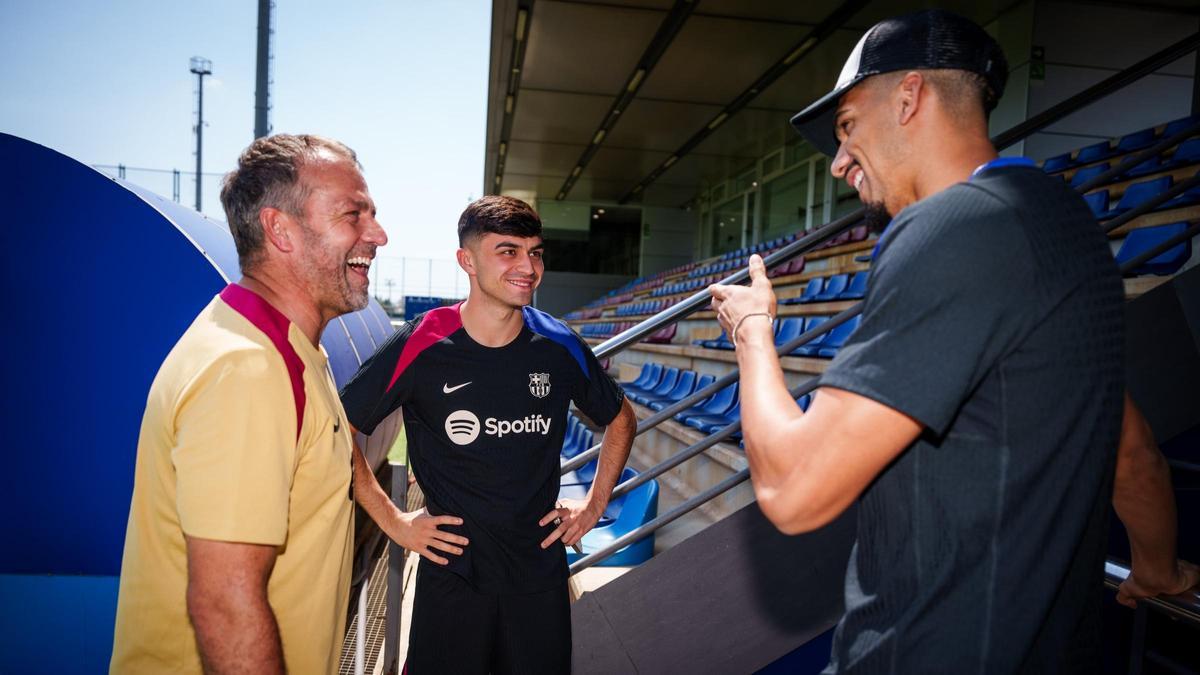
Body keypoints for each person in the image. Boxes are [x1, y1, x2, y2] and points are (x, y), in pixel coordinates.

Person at [709, 10, 1131, 672]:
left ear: (909, 96)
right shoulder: (1067, 223)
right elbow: (1132, 453)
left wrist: (754, 333)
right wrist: (1158, 566)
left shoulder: (949, 227)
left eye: (847, 127)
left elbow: (794, 490)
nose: (839, 162)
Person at [111, 134, 398, 673]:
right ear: (279, 230)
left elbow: (333, 445)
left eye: (373, 214)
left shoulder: (290, 349)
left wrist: (394, 519)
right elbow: (225, 605)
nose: (377, 234)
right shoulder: (247, 370)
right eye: (353, 215)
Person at [339, 195, 636, 674]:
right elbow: (338, 428)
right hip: (453, 574)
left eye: (535, 252)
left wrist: (595, 504)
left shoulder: (558, 344)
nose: (527, 266)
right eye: (508, 251)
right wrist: (393, 520)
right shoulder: (424, 341)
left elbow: (621, 419)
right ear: (467, 260)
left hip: (538, 576)